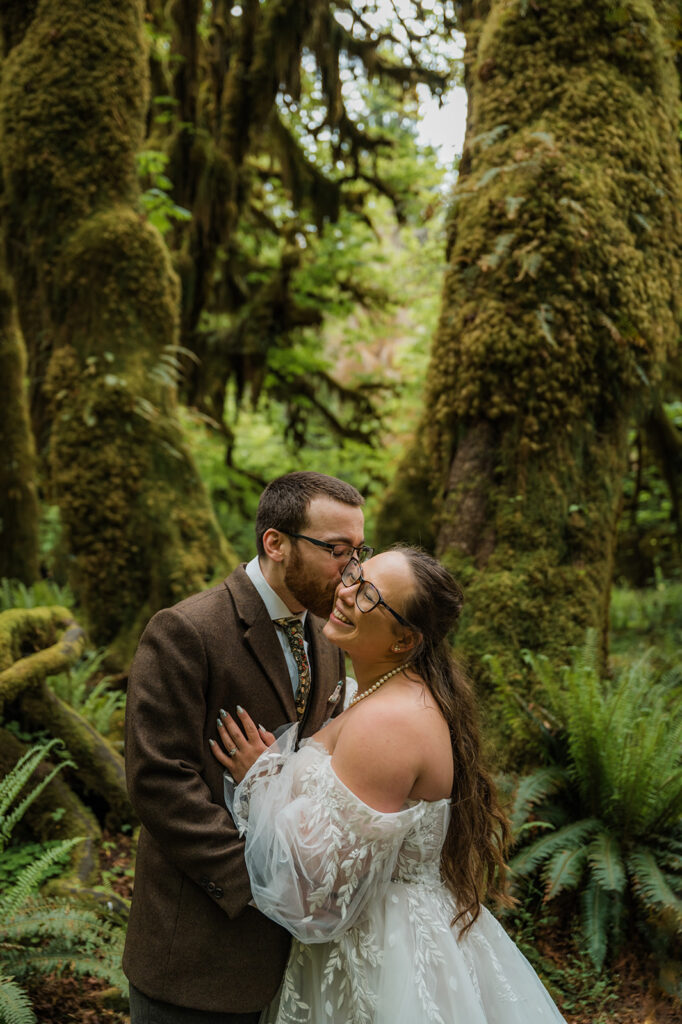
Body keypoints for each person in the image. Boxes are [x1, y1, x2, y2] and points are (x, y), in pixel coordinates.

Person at [212, 547, 567, 1024]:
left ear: (404, 641)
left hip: (382, 952)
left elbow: (321, 888)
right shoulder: (386, 693)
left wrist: (260, 781)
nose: (345, 591)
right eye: (356, 574)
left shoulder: (390, 724)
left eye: (369, 595)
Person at [123, 472, 371, 1024]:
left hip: (293, 961)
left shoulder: (328, 635)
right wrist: (259, 882)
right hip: (198, 950)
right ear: (275, 543)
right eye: (336, 550)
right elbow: (159, 780)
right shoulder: (186, 630)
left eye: (360, 551)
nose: (353, 570)